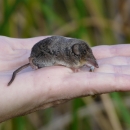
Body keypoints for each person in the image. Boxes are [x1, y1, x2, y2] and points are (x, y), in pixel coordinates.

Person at [0, 35, 130, 123]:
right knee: (50, 60)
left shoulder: (76, 49)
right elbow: (70, 62)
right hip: (42, 53)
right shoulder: (66, 55)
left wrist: (88, 63)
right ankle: (33, 61)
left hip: (49, 48)